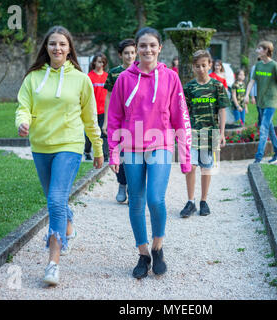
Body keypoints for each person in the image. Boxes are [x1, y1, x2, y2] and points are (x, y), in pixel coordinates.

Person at [15, 26, 104, 286]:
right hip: (41, 145)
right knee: (54, 197)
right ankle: (68, 228)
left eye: (62, 44)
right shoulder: (33, 77)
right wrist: (22, 122)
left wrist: (98, 149)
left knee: (55, 200)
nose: (57, 48)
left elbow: (90, 119)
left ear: (69, 49)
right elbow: (23, 106)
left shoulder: (80, 79)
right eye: (53, 44)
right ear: (46, 48)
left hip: (70, 144)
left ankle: (53, 264)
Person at [107, 27, 192, 279]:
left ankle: (158, 248)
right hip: (132, 146)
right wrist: (113, 151)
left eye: (152, 45)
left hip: (161, 144)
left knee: (155, 199)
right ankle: (143, 253)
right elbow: (114, 117)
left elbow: (181, 116)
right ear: (136, 48)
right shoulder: (124, 78)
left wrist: (185, 155)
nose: (147, 50)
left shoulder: (171, 78)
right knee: (136, 201)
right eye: (142, 45)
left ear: (160, 48)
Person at [180, 50, 228, 218]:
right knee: (191, 166)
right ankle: (190, 201)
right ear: (193, 67)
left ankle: (204, 201)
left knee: (206, 168)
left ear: (210, 65)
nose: (201, 68)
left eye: (204, 65)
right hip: (192, 132)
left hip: (210, 132)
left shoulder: (217, 86)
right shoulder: (189, 88)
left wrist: (221, 133)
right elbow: (183, 112)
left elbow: (222, 110)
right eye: (197, 66)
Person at [101, 39, 137, 204]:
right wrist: (107, 120)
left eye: (132, 52)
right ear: (120, 55)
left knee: (133, 156)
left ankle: (131, 187)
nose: (130, 56)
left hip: (136, 121)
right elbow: (108, 96)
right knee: (120, 154)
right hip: (118, 120)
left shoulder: (140, 71)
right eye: (126, 53)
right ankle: (122, 183)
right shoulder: (115, 73)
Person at [244, 40, 277, 164]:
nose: (256, 51)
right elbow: (252, 81)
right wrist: (247, 95)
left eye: (259, 49)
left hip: (271, 102)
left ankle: (258, 159)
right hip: (260, 101)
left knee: (263, 128)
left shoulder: (275, 66)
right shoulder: (258, 65)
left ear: (266, 50)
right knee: (269, 128)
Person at [86, 53, 109, 161]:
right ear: (94, 62)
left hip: (104, 110)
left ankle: (105, 155)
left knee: (104, 132)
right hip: (92, 110)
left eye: (103, 62)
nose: (101, 64)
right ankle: (87, 151)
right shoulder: (89, 77)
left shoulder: (107, 76)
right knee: (90, 132)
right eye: (99, 61)